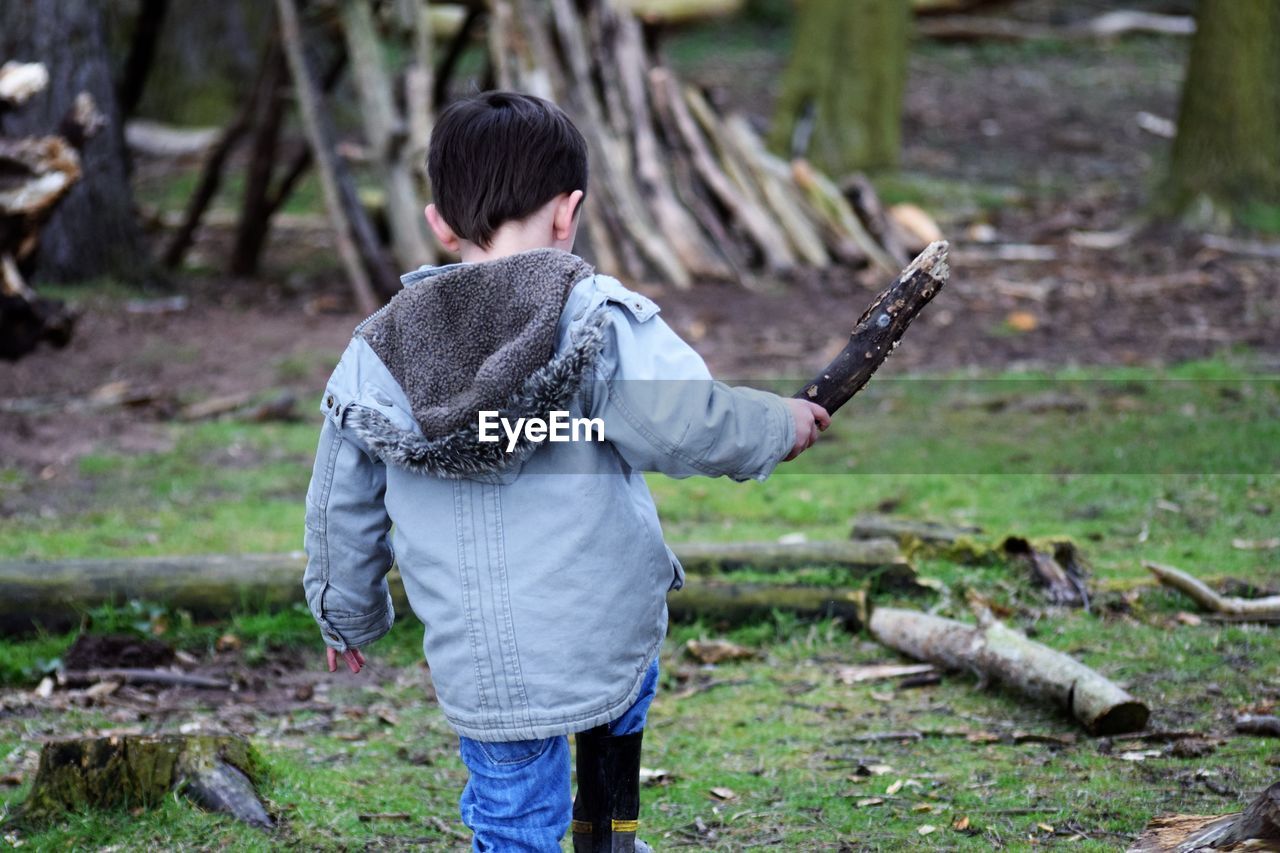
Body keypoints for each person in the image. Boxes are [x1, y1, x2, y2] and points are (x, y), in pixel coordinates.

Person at [302, 90, 829, 852]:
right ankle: (608, 836)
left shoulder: (378, 355)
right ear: (567, 212)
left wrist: (344, 612)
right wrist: (775, 425)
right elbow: (686, 419)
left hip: (480, 663)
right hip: (605, 626)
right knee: (615, 723)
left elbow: (338, 503)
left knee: (513, 816)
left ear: (439, 223)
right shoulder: (591, 321)